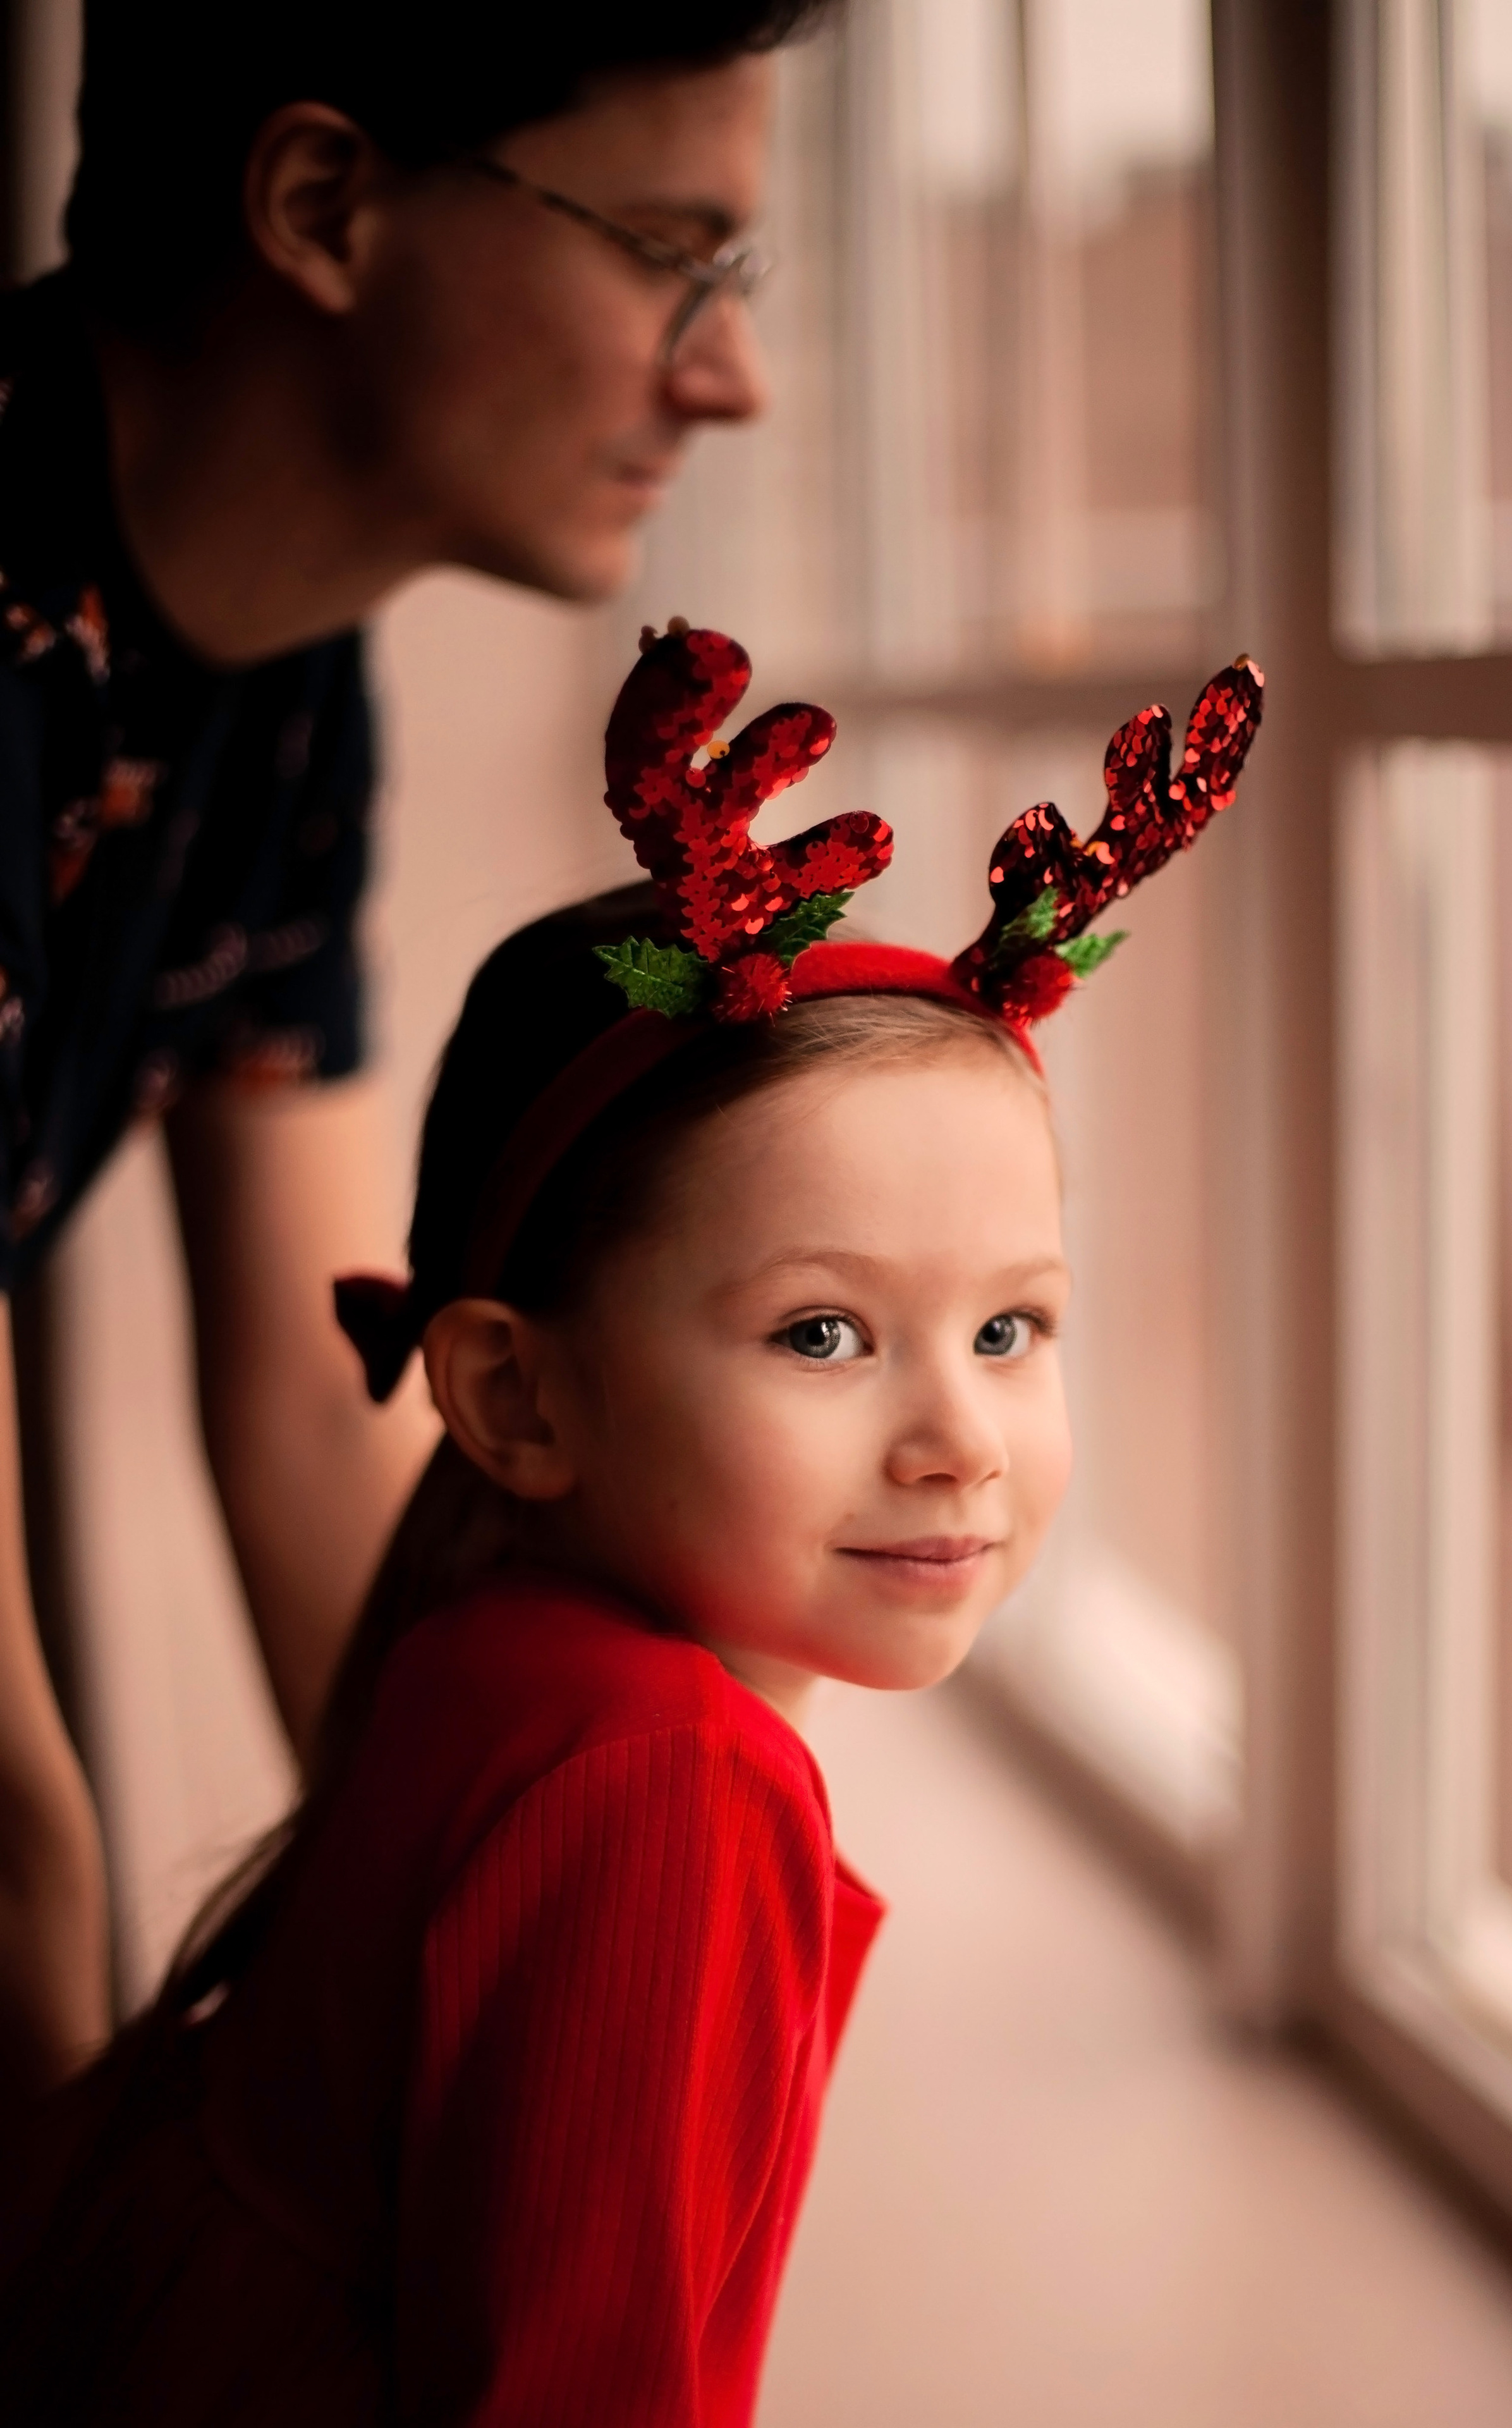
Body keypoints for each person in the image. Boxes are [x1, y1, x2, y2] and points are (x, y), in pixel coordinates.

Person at [0, 625, 1262, 2424]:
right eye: (822, 1334)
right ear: (519, 1399)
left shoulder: (494, 1636)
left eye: (1009, 1330)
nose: (958, 1443)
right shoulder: (674, 1783)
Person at [0, 0, 826, 2109]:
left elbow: (316, 1383)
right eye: (668, 252)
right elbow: (9, 1836)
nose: (732, 375)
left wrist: (511, 2001)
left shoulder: (275, 669)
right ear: (322, 206)